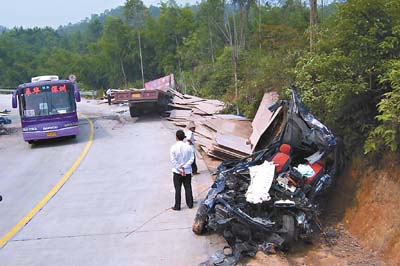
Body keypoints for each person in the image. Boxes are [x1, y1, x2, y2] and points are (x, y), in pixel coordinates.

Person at [170, 129, 194, 211]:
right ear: (183, 137)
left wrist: (180, 168)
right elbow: (192, 159)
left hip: (177, 172)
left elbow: (173, 160)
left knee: (178, 189)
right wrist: (185, 167)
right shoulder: (189, 147)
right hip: (187, 171)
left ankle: (177, 206)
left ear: (176, 137)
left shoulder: (173, 147)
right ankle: (190, 204)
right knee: (188, 187)